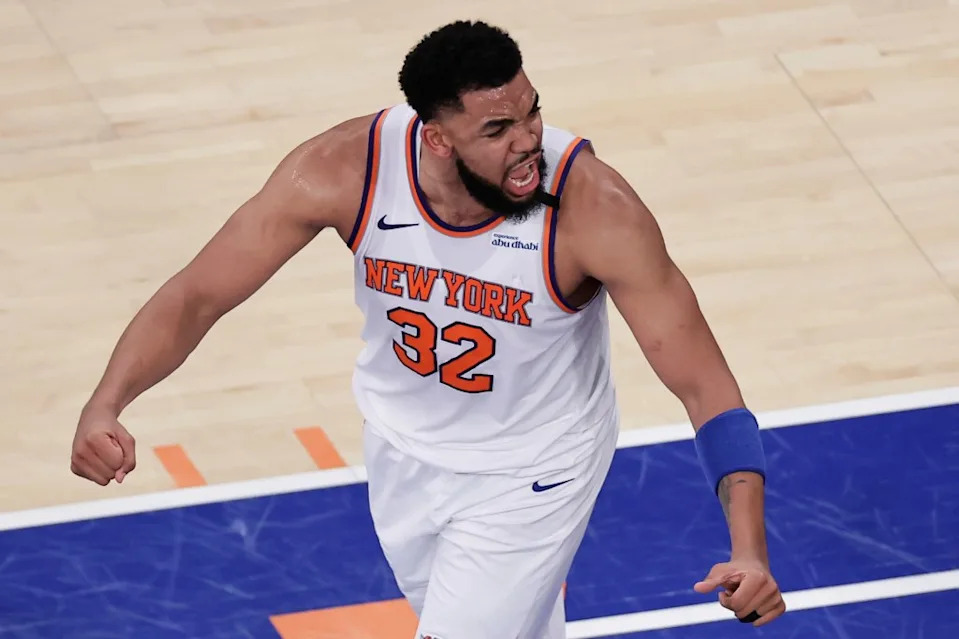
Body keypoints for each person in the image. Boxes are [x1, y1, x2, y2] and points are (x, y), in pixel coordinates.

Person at [70, 20, 785, 638]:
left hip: (534, 470)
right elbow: (197, 295)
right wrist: (108, 401)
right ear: (436, 138)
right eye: (496, 130)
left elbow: (706, 386)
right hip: (401, 451)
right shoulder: (344, 170)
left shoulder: (593, 209)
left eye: (531, 113)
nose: (527, 142)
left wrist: (749, 547)